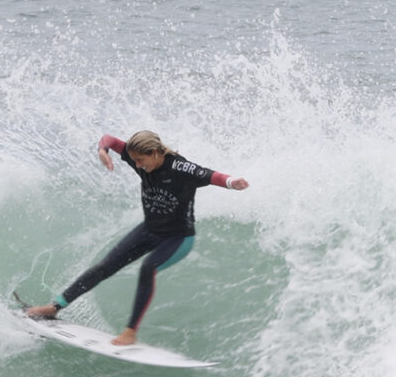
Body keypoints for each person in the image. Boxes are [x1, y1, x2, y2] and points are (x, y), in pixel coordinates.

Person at [26, 130, 250, 345]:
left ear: (155, 153)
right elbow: (110, 140)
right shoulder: (138, 159)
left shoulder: (180, 168)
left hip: (178, 238)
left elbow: (211, 175)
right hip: (149, 230)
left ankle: (130, 332)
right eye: (135, 161)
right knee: (105, 266)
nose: (138, 165)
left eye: (141, 160)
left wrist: (232, 182)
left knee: (147, 268)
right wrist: (103, 151)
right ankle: (54, 307)